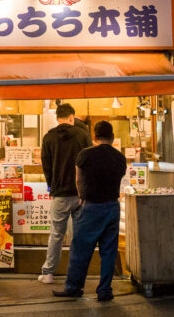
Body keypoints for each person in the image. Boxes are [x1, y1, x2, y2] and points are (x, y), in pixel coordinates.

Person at [52, 120, 127, 302]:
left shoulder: (85, 155)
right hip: (112, 206)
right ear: (112, 137)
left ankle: (74, 287)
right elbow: (121, 178)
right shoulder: (119, 157)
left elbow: (78, 179)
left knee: (80, 250)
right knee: (109, 251)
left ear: (94, 136)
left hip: (91, 206)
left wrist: (81, 197)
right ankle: (104, 290)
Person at [38, 102, 91, 284]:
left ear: (57, 118)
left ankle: (48, 273)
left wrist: (52, 185)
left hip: (59, 194)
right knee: (78, 235)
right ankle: (77, 275)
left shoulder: (48, 138)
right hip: (79, 195)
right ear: (71, 117)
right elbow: (89, 164)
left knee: (56, 234)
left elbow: (46, 166)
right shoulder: (83, 136)